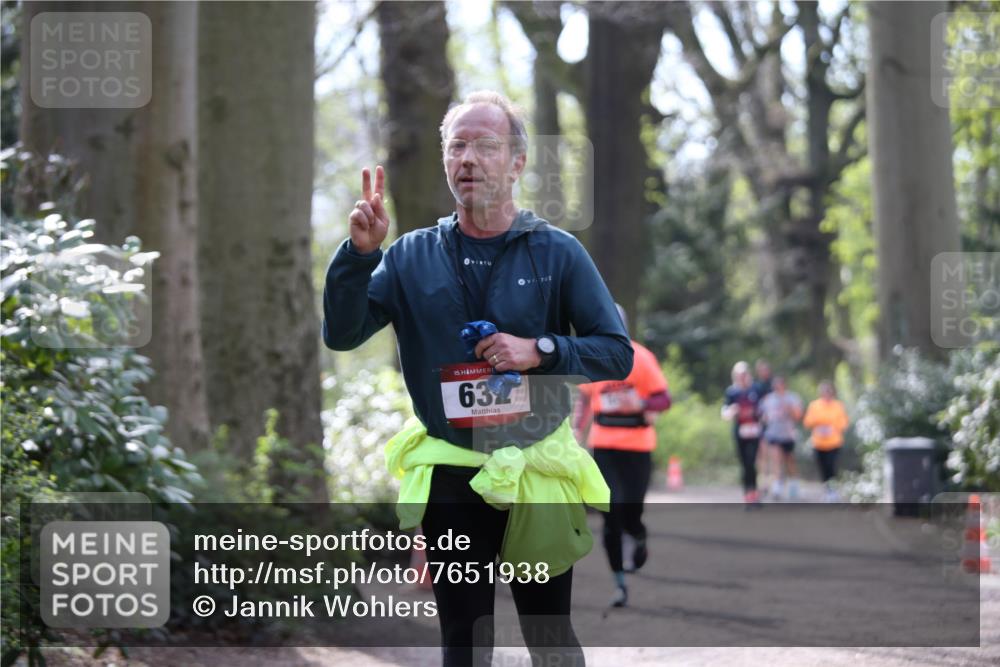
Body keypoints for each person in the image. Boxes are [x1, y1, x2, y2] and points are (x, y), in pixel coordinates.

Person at [322, 90, 633, 667]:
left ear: (517, 163)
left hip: (536, 469)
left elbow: (615, 354)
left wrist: (539, 350)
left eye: (485, 146)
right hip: (452, 474)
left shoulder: (558, 252)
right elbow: (341, 335)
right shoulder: (410, 256)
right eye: (456, 145)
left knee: (549, 636)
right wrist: (359, 255)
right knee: (463, 640)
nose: (467, 158)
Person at [572, 304, 671, 608]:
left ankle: (639, 536)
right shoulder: (592, 360)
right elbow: (586, 398)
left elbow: (663, 398)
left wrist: (639, 403)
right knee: (610, 512)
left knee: (631, 512)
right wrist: (577, 429)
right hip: (605, 445)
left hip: (638, 446)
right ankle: (619, 582)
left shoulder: (640, 357)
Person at [722, 361, 764, 505]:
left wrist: (757, 413)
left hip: (754, 431)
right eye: (739, 375)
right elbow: (725, 412)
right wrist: (733, 411)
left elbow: (764, 409)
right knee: (745, 463)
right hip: (740, 432)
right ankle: (747, 494)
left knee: (752, 462)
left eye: (744, 374)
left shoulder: (756, 389)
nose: (742, 377)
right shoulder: (732, 392)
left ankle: (754, 492)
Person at [803, 381, 850, 502]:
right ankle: (827, 490)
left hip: (834, 442)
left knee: (831, 466)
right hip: (818, 443)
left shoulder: (838, 406)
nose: (826, 394)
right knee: (823, 467)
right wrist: (819, 425)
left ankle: (833, 490)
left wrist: (832, 428)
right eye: (824, 391)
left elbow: (844, 423)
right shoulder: (814, 405)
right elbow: (808, 422)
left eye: (828, 391)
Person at [758, 376, 803, 500]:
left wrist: (788, 408)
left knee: (790, 461)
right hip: (773, 434)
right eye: (776, 385)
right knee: (776, 459)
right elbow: (762, 417)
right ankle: (777, 486)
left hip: (788, 434)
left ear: (785, 385)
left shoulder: (792, 397)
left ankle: (794, 485)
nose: (778, 387)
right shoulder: (768, 399)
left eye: (780, 384)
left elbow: (798, 416)